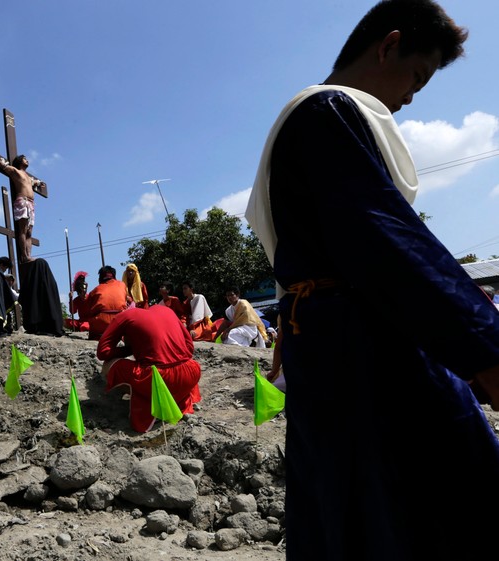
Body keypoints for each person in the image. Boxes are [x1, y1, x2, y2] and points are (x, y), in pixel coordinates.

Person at [244, 2, 499, 559]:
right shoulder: (328, 110)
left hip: (327, 342)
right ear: (388, 45)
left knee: (352, 502)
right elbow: (386, 242)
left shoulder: (304, 117)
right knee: (449, 490)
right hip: (367, 339)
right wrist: (489, 350)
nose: (412, 97)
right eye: (416, 76)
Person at [97, 305, 202, 433]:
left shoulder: (124, 316)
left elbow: (102, 352)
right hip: (189, 375)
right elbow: (189, 348)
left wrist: (130, 348)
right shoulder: (167, 309)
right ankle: (177, 399)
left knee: (108, 366)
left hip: (157, 380)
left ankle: (148, 401)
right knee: (183, 362)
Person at [0, 145, 46, 264]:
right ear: (20, 161)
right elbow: (2, 165)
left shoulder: (29, 177)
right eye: (25, 158)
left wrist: (40, 183)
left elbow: (35, 182)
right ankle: (24, 256)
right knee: (22, 229)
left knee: (29, 232)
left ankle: (29, 255)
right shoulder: (15, 172)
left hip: (31, 204)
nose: (27, 160)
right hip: (22, 201)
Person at [83, 265, 128, 341]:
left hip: (101, 325)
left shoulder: (95, 290)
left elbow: (86, 311)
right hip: (119, 323)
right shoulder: (122, 285)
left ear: (100, 277)